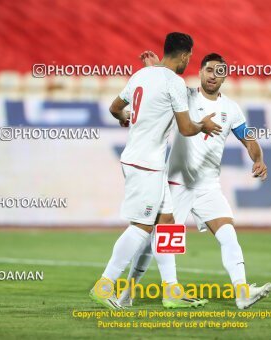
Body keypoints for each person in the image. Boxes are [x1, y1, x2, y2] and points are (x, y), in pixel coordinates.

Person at [118, 51, 271, 310]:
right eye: (209, 70)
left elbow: (250, 140)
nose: (214, 76)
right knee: (154, 240)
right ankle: (128, 291)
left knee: (228, 235)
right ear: (200, 72)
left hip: (208, 186)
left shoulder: (231, 109)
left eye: (220, 72)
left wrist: (258, 159)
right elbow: (162, 82)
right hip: (175, 184)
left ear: (225, 77)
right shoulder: (184, 95)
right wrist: (155, 68)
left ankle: (242, 292)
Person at [89, 33, 222, 309]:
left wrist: (128, 118)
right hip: (146, 163)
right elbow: (186, 128)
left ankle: (171, 290)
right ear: (185, 56)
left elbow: (115, 108)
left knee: (167, 223)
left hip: (143, 161)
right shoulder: (174, 82)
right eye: (190, 57)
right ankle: (105, 285)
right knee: (141, 226)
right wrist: (203, 126)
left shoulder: (142, 76)